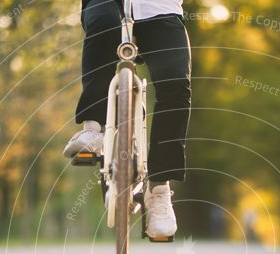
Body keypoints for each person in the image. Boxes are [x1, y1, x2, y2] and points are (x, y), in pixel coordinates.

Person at [63, 0, 191, 238]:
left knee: (176, 84)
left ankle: (160, 189)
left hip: (160, 8)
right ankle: (92, 127)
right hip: (107, 4)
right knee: (103, 25)